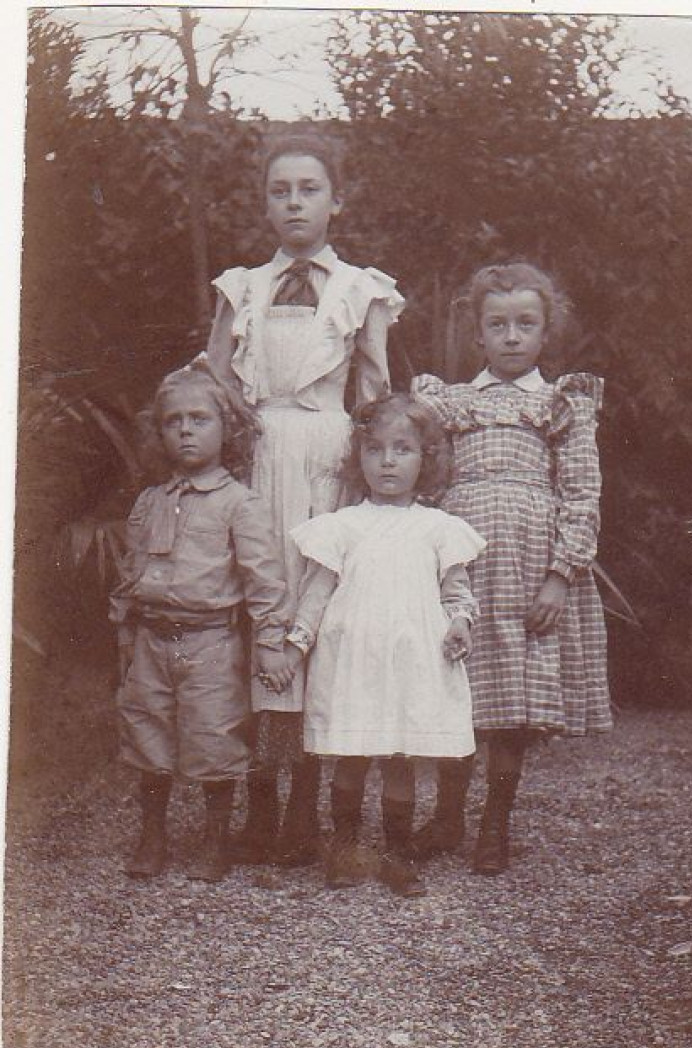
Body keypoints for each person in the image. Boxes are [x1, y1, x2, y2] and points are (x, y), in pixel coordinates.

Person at [206, 131, 404, 869]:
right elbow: (218, 377)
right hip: (259, 458)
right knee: (259, 608)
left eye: (309, 188)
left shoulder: (362, 288)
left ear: (335, 200)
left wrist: (362, 474)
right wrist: (239, 440)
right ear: (266, 204)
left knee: (316, 614)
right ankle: (259, 805)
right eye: (280, 190)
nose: (294, 202)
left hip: (327, 456)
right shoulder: (241, 287)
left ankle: (305, 810)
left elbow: (376, 388)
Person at [412, 262, 612, 875]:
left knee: (513, 697)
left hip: (527, 568)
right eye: (497, 324)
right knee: (456, 686)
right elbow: (424, 480)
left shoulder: (560, 405)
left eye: (526, 324)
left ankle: (495, 821)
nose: (511, 337)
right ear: (478, 334)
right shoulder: (449, 403)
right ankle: (448, 814)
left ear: (545, 332)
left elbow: (582, 493)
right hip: (461, 561)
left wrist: (561, 573)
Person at [262, 394, 485, 897]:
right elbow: (315, 595)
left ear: (425, 459)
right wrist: (295, 648)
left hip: (409, 663)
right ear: (357, 458)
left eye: (403, 449)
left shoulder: (438, 528)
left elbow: (457, 592)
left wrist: (460, 624)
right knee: (350, 753)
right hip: (353, 664)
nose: (387, 461)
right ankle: (344, 847)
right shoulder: (343, 526)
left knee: (400, 755)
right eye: (375, 449)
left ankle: (397, 853)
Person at [110, 360, 288, 884]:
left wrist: (271, 643)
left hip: (212, 642)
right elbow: (130, 572)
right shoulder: (150, 500)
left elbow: (265, 581)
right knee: (147, 736)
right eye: (173, 421)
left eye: (199, 419)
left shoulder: (240, 504)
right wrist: (123, 632)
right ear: (160, 431)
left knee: (214, 739)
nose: (185, 429)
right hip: (150, 640)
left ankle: (215, 839)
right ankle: (153, 834)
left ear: (227, 428)